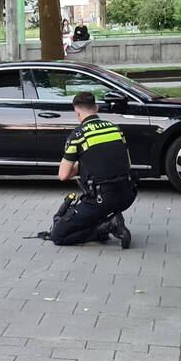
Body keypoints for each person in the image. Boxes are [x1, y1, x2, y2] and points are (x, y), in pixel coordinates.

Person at [45, 92, 135, 248]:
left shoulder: (78, 136)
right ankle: (107, 220)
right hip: (127, 195)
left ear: (77, 113)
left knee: (58, 235)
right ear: (96, 108)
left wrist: (81, 165)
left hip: (101, 200)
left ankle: (107, 226)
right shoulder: (116, 129)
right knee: (87, 216)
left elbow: (63, 175)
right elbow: (127, 163)